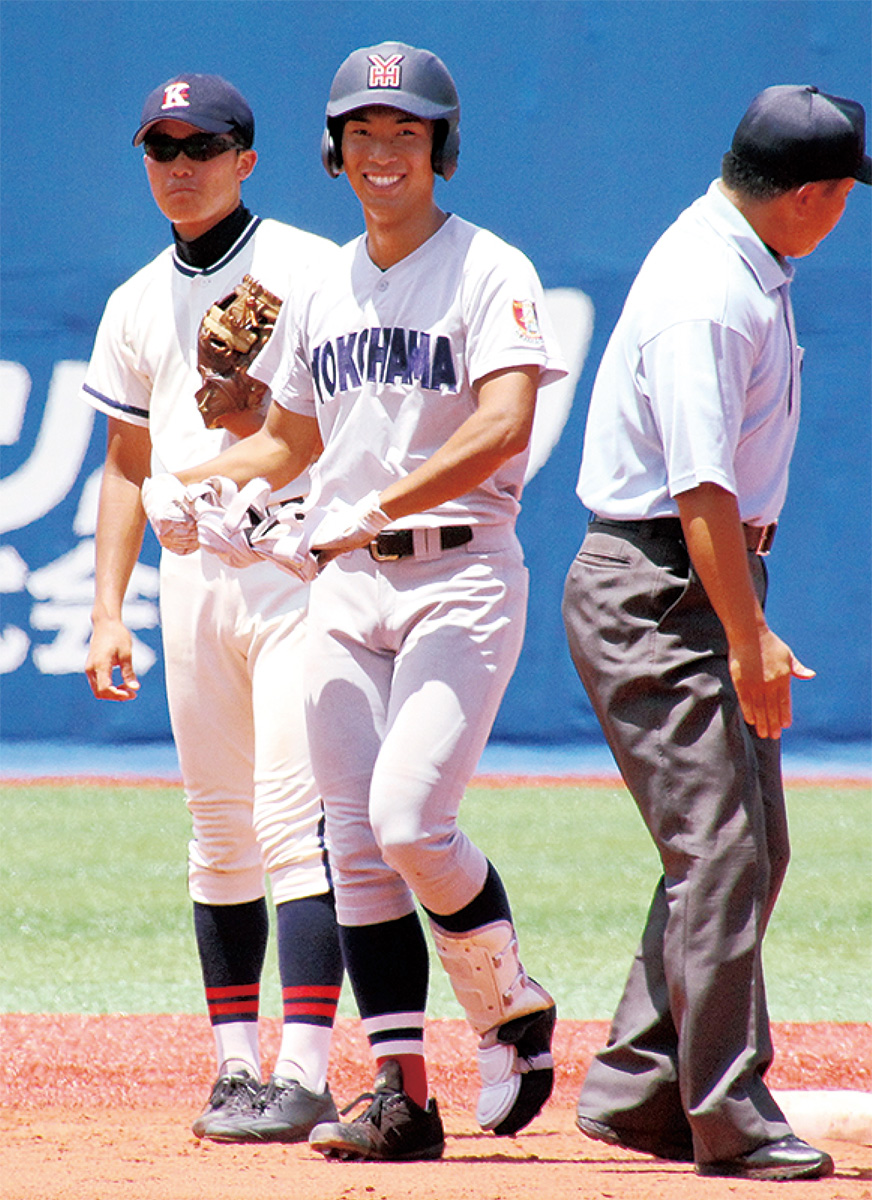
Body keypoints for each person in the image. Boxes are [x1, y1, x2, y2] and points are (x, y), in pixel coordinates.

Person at [149, 42, 567, 1162]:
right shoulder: (321, 283)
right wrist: (199, 488)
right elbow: (290, 438)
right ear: (333, 154)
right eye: (363, 135)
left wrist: (368, 498)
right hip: (342, 581)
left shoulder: (490, 268)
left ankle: (505, 1003)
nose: (384, 154)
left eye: (407, 134)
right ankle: (401, 1095)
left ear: (441, 150)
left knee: (408, 820)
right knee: (353, 847)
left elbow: (501, 423)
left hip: (458, 572)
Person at [562, 84, 869, 1182]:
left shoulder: (735, 254)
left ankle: (638, 1084)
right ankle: (725, 1112)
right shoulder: (707, 288)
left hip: (690, 574)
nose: (843, 211)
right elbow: (698, 491)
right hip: (659, 582)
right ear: (810, 195)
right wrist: (746, 639)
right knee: (721, 851)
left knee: (743, 848)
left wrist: (740, 617)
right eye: (841, 193)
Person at [82, 73, 344, 1144]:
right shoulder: (137, 300)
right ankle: (235, 1067)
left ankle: (306, 1070)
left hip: (294, 575)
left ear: (245, 156)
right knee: (216, 829)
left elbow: (344, 417)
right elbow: (125, 462)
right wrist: (108, 609)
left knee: (293, 824)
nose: (179, 165)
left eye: (202, 145)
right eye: (161, 147)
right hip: (193, 587)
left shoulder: (308, 269)